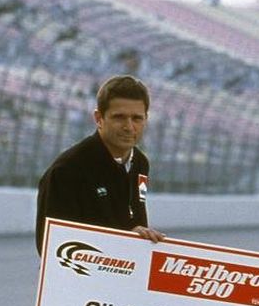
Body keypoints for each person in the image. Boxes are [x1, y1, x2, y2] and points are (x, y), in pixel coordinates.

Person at [35, 74, 165, 254]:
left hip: (124, 274)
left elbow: (136, 220)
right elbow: (51, 245)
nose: (129, 127)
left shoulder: (140, 163)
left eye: (137, 118)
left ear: (146, 119)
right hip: (80, 278)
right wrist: (124, 238)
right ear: (99, 118)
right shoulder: (67, 170)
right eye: (119, 117)